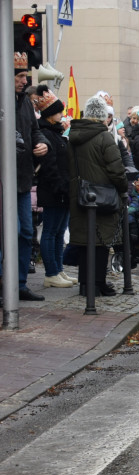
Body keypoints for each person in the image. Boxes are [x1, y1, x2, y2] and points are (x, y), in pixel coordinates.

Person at [67, 96, 128, 298]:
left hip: (79, 194)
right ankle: (98, 283)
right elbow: (117, 170)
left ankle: (86, 284)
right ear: (103, 118)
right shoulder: (104, 137)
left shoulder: (73, 135)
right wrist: (123, 189)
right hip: (102, 196)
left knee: (85, 242)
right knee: (101, 242)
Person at [7, 53, 50, 301]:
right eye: (20, 76)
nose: (25, 81)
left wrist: (42, 144)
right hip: (4, 181)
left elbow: (36, 132)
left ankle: (20, 284)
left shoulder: (24, 103)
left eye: (25, 76)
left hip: (22, 181)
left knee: (25, 232)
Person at [32, 86, 75, 289]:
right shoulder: (45, 133)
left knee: (59, 232)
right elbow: (50, 167)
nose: (61, 114)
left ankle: (58, 269)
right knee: (51, 231)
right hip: (53, 191)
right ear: (50, 114)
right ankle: (51, 272)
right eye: (58, 111)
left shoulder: (56, 133)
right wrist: (61, 187)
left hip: (63, 191)